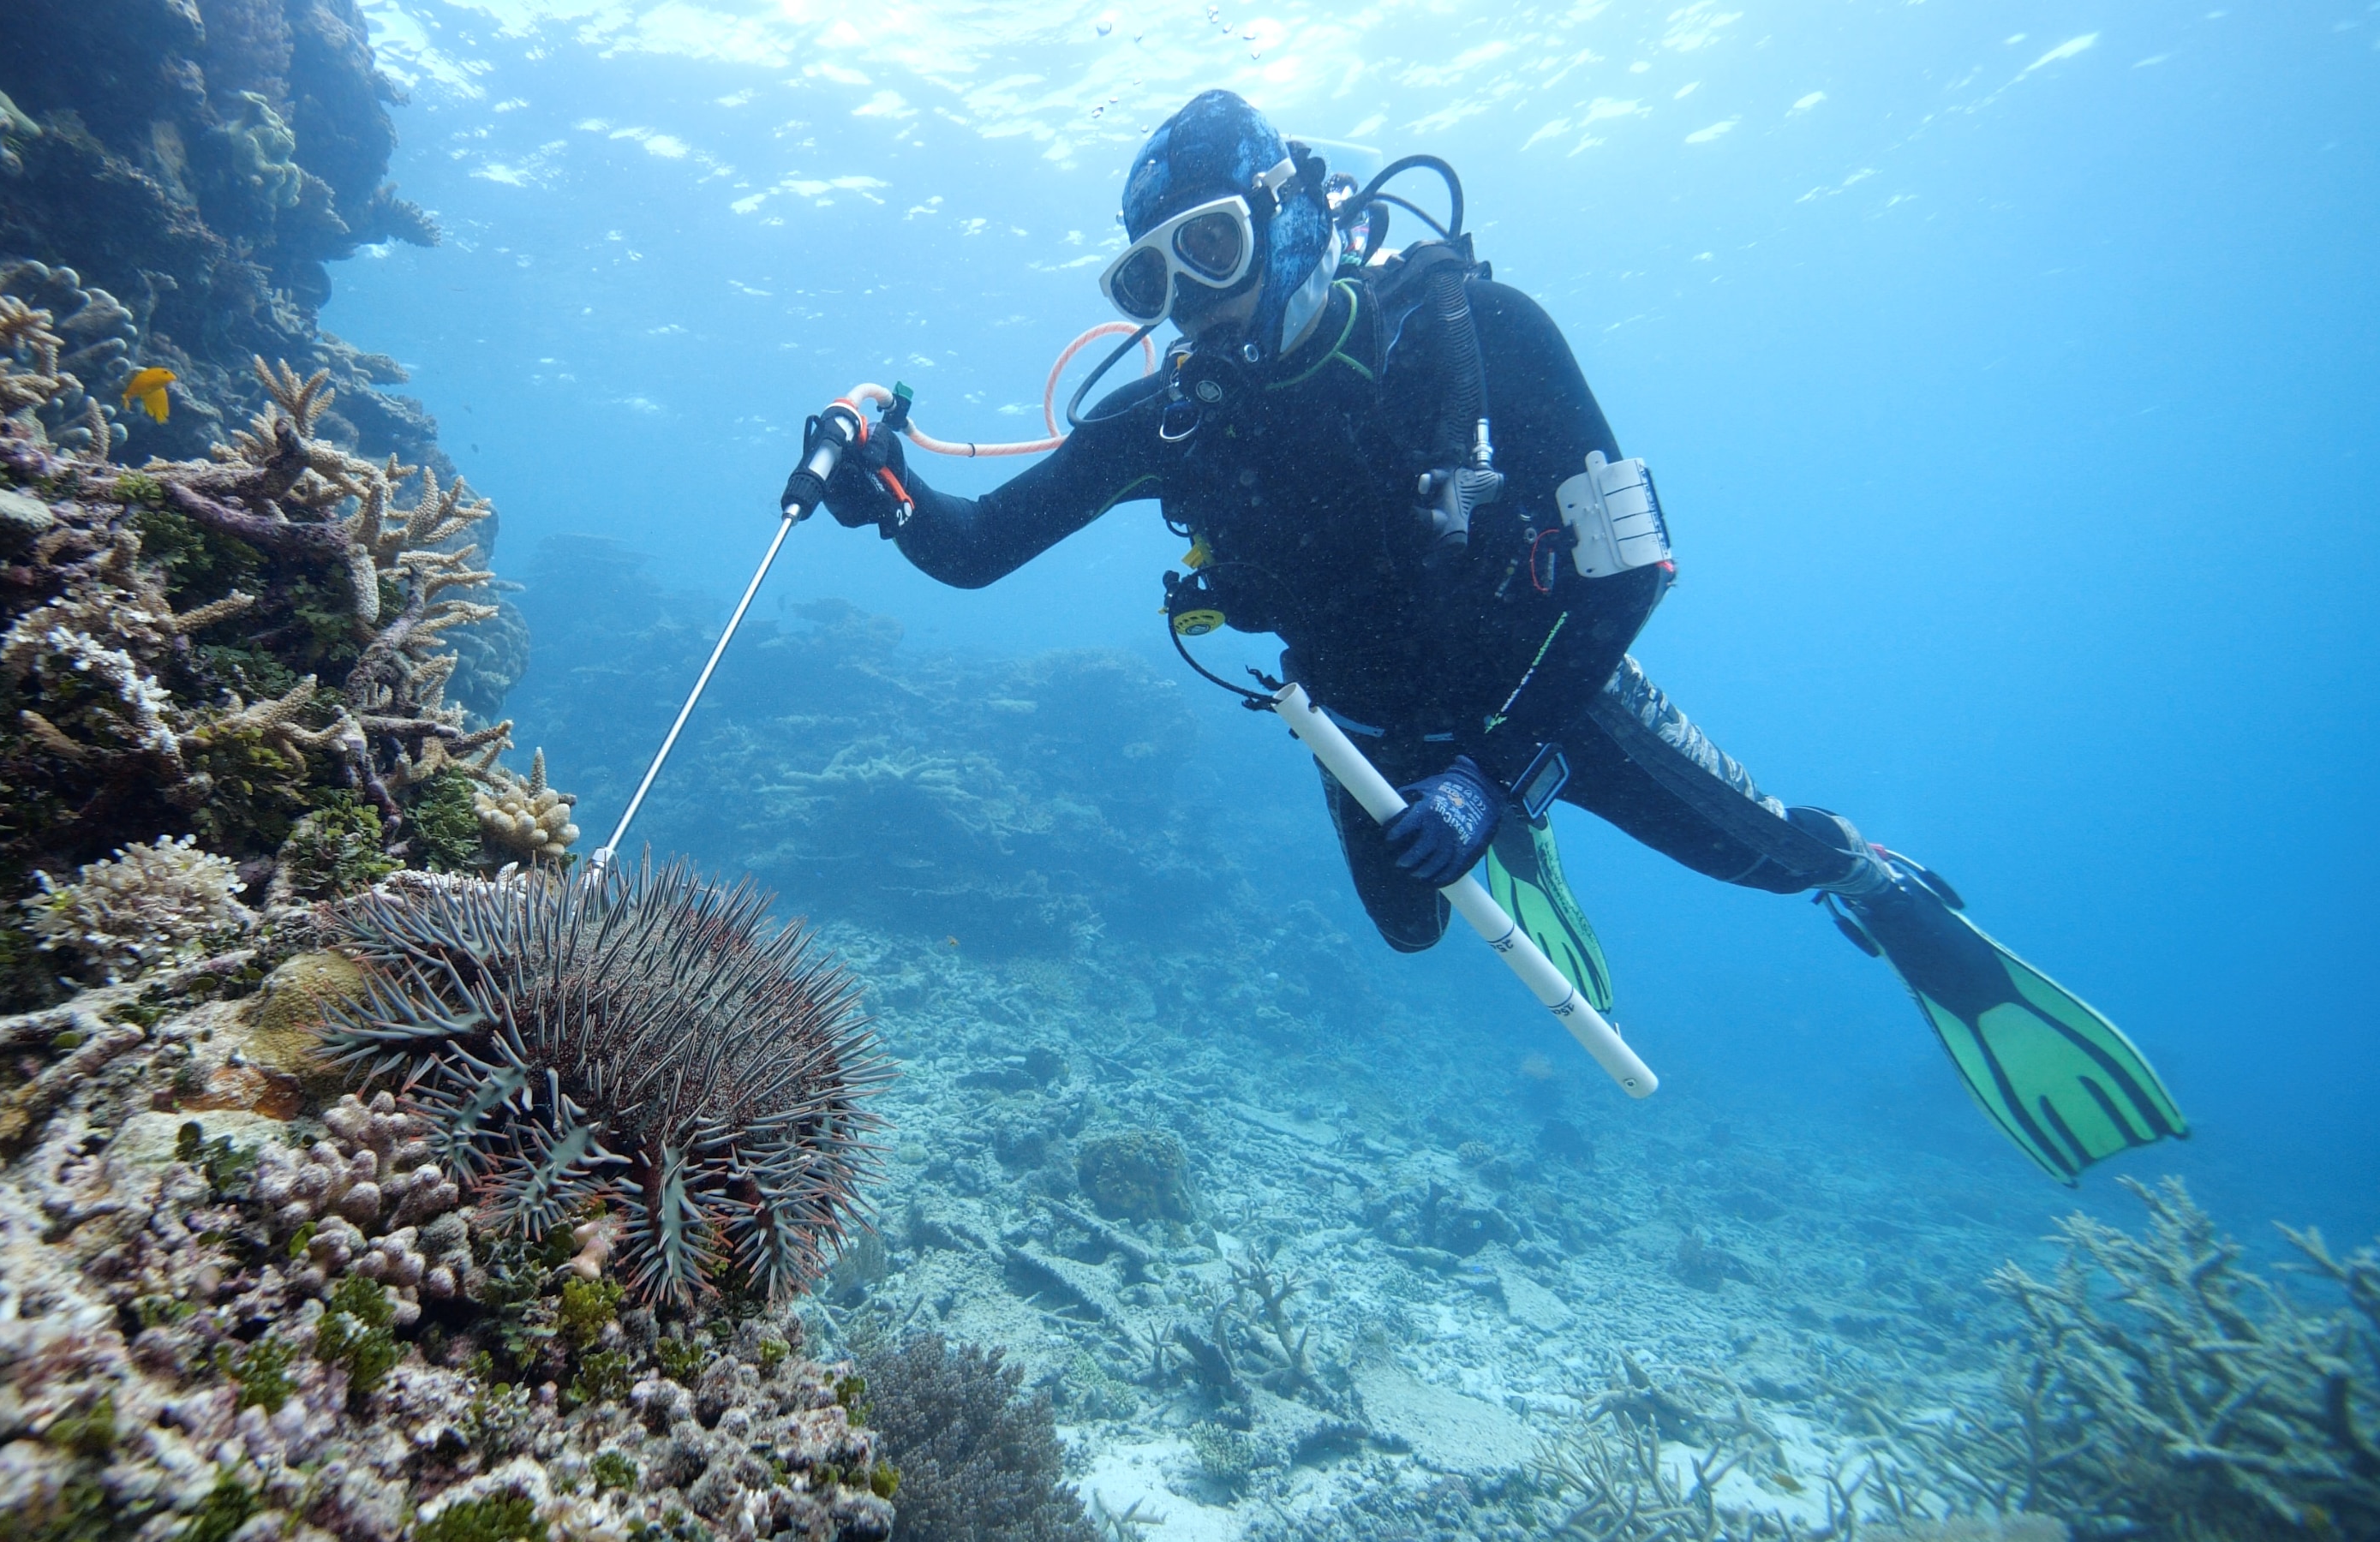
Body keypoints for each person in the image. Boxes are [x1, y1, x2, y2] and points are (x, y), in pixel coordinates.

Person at [811, 89, 2181, 1185]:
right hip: (1360, 720)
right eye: (1151, 280)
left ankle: (1864, 878)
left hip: (1551, 683)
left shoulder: (1474, 335)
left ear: (1293, 217)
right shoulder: (1171, 421)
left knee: (1754, 860)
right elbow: (978, 549)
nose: (1194, 303)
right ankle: (1509, 829)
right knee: (1411, 931)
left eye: (1213, 248)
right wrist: (880, 481)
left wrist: (1502, 769)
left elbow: (1630, 572)